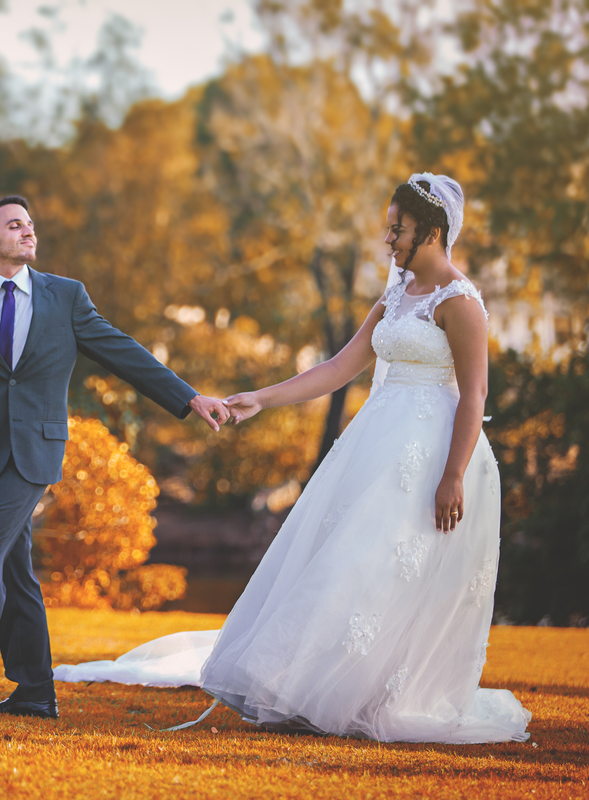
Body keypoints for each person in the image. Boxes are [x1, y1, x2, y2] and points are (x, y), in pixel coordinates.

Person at [53, 174, 532, 743]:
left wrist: (453, 476)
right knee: (346, 562)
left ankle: (369, 696)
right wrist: (262, 398)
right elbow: (337, 368)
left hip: (435, 455)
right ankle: (308, 689)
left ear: (430, 230)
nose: (388, 240)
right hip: (377, 446)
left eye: (397, 228)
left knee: (387, 569)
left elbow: (474, 394)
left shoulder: (462, 302)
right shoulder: (395, 297)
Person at [0, 196, 230, 719]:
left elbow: (122, 351)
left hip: (37, 449)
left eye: (29, 224)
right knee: (13, 567)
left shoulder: (65, 297)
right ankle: (34, 692)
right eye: (14, 225)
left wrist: (187, 398)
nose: (28, 232)